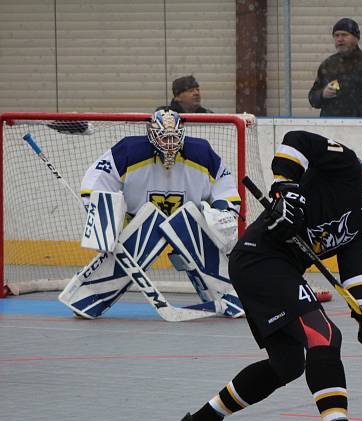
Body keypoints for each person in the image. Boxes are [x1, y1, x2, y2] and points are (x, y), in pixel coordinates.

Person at [175, 128, 362, 421]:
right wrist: (285, 188)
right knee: (323, 335)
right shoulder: (349, 167)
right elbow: (298, 140)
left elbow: (356, 268)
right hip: (260, 258)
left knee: (287, 363)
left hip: (270, 268)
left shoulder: (361, 219)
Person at [60, 108, 242, 319]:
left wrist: (223, 210)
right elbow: (97, 180)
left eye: (174, 137)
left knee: (190, 223)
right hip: (140, 223)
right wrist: (104, 214)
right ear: (151, 134)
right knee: (143, 230)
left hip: (188, 224)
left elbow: (225, 184)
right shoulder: (129, 150)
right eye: (163, 138)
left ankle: (230, 295)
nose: (169, 143)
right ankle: (90, 296)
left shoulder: (201, 152)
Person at [308, 17, 362, 118]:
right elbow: (313, 98)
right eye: (336, 35)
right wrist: (322, 94)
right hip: (331, 126)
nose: (340, 39)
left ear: (356, 38)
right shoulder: (328, 65)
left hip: (361, 125)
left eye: (344, 35)